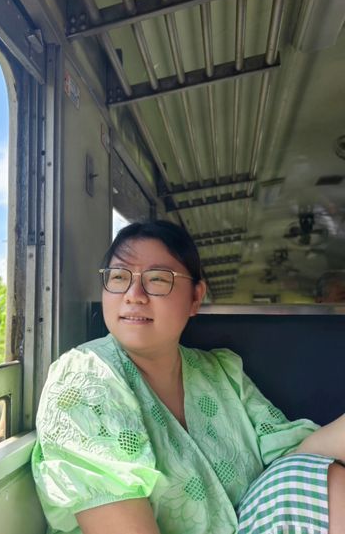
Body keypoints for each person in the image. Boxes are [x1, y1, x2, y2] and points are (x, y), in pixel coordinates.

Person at [31, 220, 345, 534]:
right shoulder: (85, 380)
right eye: (118, 277)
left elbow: (295, 458)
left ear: (196, 297)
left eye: (157, 279)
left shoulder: (221, 372)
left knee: (320, 480)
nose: (134, 294)